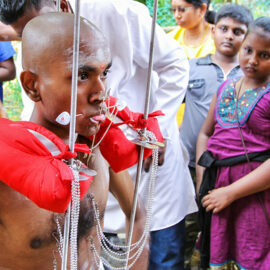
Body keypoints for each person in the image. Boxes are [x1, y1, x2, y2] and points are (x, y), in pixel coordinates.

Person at [0, 1, 198, 269]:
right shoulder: (8, 167)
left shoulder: (98, 145)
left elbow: (138, 217)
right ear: (32, 86)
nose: (102, 92)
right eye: (82, 75)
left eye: (104, 73)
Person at [180, 4, 253, 268]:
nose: (229, 36)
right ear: (213, 31)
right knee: (188, 228)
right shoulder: (190, 68)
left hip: (233, 171)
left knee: (224, 232)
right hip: (190, 167)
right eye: (223, 29)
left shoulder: (251, 75)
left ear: (248, 37)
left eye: (238, 31)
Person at [196, 17, 270, 269]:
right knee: (219, 251)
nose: (252, 60)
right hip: (217, 189)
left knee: (253, 252)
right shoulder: (225, 87)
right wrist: (202, 178)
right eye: (249, 50)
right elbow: (206, 134)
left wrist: (231, 192)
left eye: (265, 55)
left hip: (254, 195)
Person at [168, 0, 216, 127]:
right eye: (173, 10)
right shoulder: (169, 40)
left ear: (202, 9)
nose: (177, 15)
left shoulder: (218, 39)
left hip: (208, 119)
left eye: (182, 9)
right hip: (175, 119)